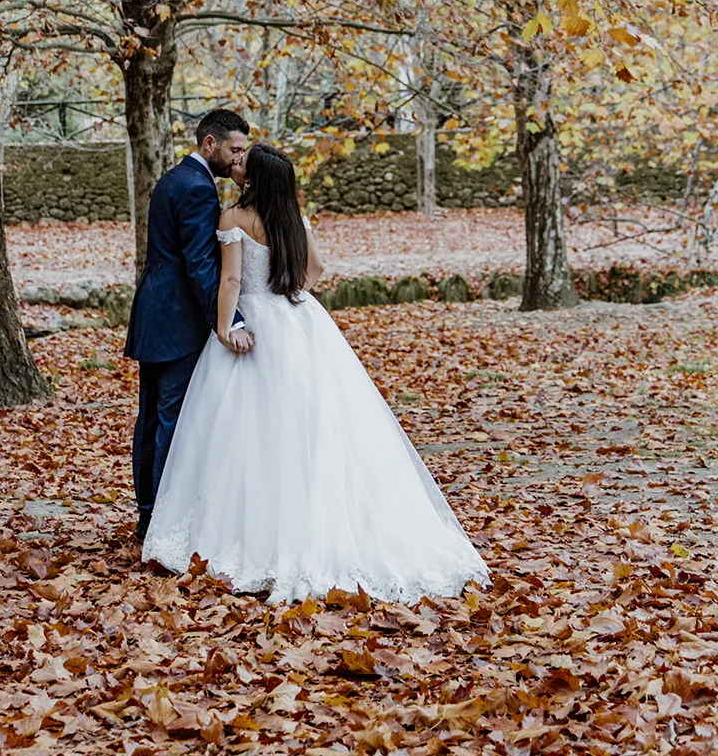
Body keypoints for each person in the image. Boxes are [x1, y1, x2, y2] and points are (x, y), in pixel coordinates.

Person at [143, 142, 489, 603]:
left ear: (254, 180)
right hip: (297, 321)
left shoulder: (233, 219)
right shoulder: (293, 219)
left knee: (243, 430)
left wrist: (227, 327)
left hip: (253, 322)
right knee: (309, 422)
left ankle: (245, 533)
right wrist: (289, 294)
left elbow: (228, 280)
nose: (237, 163)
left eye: (244, 162)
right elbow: (317, 268)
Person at [124, 108, 251, 542]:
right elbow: (200, 264)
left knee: (152, 420)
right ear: (210, 143)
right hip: (177, 319)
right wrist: (228, 319)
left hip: (155, 314)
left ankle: (147, 515)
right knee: (171, 421)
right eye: (233, 149)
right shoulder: (198, 189)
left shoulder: (173, 178)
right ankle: (162, 522)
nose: (237, 159)